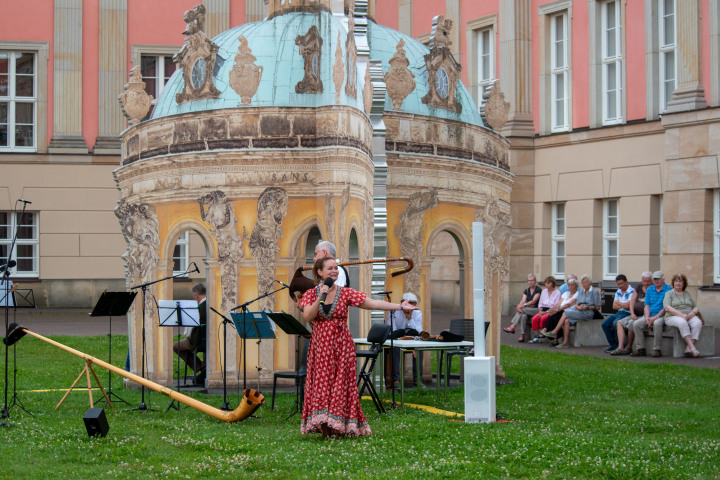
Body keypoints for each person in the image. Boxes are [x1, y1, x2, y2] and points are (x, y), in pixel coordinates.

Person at [298, 257, 418, 438]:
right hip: (320, 347)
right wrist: (320, 296)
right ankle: (325, 428)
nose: (334, 271)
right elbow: (308, 316)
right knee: (322, 385)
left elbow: (371, 303)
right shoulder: (310, 294)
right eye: (330, 268)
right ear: (320, 272)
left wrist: (400, 306)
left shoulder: (345, 293)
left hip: (341, 345)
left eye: (336, 268)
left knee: (340, 384)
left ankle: (338, 426)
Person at [385, 292, 423, 386]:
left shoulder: (417, 313)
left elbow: (419, 331)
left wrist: (409, 318)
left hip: (411, 341)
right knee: (396, 348)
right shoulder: (392, 311)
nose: (410, 306)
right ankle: (396, 380)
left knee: (420, 348)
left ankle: (417, 379)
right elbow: (391, 330)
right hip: (397, 340)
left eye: (412, 304)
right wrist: (401, 338)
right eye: (408, 303)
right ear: (402, 302)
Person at [631, 271, 672, 357]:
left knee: (657, 323)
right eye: (655, 279)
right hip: (650, 315)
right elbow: (646, 306)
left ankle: (657, 349)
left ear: (663, 279)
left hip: (662, 315)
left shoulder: (668, 290)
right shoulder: (650, 289)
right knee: (636, 324)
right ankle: (640, 349)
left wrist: (655, 318)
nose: (656, 281)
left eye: (658, 279)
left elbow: (666, 308)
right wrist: (647, 318)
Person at [172, 284, 207, 383]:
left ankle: (200, 367)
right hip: (207, 338)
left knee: (176, 346)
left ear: (196, 296)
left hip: (198, 340)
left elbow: (193, 327)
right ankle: (203, 368)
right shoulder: (210, 304)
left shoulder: (200, 307)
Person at [663, 273, 703, 358]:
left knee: (698, 323)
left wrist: (691, 314)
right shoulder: (669, 294)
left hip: (688, 316)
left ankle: (688, 348)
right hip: (672, 317)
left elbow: (695, 307)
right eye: (676, 281)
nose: (678, 283)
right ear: (673, 283)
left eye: (680, 281)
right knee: (682, 322)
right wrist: (681, 315)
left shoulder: (687, 294)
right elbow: (667, 308)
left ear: (684, 284)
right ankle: (692, 348)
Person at [612, 272, 651, 356]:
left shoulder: (652, 289)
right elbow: (632, 301)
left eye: (648, 281)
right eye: (644, 281)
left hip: (644, 315)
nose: (645, 283)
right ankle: (620, 347)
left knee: (631, 323)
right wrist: (632, 313)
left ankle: (629, 347)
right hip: (634, 314)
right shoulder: (639, 287)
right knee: (619, 323)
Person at [533, 277, 578, 345]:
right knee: (552, 315)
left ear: (576, 287)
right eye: (569, 285)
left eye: (572, 285)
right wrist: (552, 309)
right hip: (560, 310)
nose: (570, 287)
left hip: (569, 312)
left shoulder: (577, 294)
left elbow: (568, 304)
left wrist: (556, 310)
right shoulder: (566, 293)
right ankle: (553, 337)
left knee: (554, 315)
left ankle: (548, 332)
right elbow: (558, 303)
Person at [504, 273, 542, 342]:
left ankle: (513, 326)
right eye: (529, 280)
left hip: (536, 310)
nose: (530, 282)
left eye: (532, 280)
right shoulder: (527, 290)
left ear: (535, 281)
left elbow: (534, 301)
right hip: (527, 310)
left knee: (523, 310)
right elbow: (523, 300)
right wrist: (519, 306)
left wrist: (522, 306)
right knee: (523, 316)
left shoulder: (538, 289)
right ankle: (522, 335)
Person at [602, 274, 634, 353]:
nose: (620, 286)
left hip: (627, 313)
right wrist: (623, 305)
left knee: (615, 323)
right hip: (619, 312)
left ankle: (619, 346)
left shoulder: (632, 291)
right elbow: (613, 306)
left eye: (621, 283)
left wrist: (618, 303)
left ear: (626, 282)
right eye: (618, 284)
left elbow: (628, 306)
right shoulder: (618, 291)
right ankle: (612, 345)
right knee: (604, 324)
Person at [529, 276, 561, 340]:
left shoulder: (557, 293)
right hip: (543, 309)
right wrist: (540, 311)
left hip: (551, 311)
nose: (546, 285)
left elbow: (555, 306)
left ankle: (542, 334)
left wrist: (545, 313)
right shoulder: (544, 292)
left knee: (543, 318)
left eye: (547, 283)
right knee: (534, 319)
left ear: (552, 284)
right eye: (545, 283)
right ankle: (537, 336)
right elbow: (540, 303)